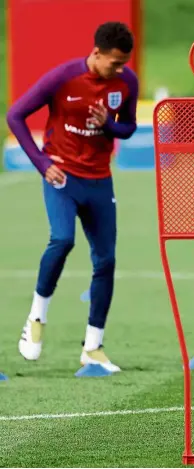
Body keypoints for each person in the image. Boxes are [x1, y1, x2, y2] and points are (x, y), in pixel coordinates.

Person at [6, 21, 139, 372]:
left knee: (106, 261)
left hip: (100, 180)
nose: (120, 68)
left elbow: (128, 126)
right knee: (62, 239)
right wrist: (41, 162)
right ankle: (36, 318)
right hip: (62, 176)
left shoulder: (126, 82)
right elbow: (15, 115)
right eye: (114, 62)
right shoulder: (63, 77)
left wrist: (108, 124)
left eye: (124, 61)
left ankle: (93, 347)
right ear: (96, 53)